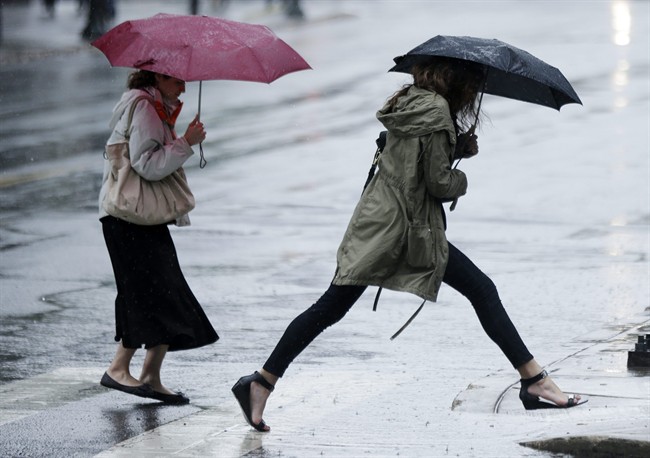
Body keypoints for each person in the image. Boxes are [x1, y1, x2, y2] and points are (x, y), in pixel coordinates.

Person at [232, 57, 585, 431]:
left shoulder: (411, 102)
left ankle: (262, 382)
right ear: (459, 82)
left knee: (331, 307)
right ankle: (534, 381)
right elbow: (437, 183)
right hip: (406, 228)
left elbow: (408, 161)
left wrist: (454, 150)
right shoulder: (438, 114)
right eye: (474, 84)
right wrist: (460, 176)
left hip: (381, 222)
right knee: (480, 290)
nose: (474, 93)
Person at [98, 70, 218, 404]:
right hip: (127, 218)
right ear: (158, 80)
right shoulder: (146, 109)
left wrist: (180, 140)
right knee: (145, 290)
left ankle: (151, 374)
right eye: (177, 81)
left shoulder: (156, 109)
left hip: (139, 217)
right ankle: (119, 368)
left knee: (166, 289)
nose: (183, 86)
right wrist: (185, 143)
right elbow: (146, 166)